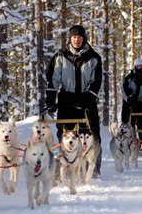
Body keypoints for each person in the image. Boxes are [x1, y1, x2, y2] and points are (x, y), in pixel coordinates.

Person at [45, 24, 103, 177]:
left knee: (92, 134)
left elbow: (96, 81)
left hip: (87, 99)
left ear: (84, 38)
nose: (76, 40)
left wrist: (87, 97)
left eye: (79, 37)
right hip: (67, 98)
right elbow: (53, 78)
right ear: (70, 39)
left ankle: (93, 168)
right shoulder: (61, 56)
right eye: (74, 37)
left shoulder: (93, 57)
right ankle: (63, 167)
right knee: (65, 134)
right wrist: (51, 99)